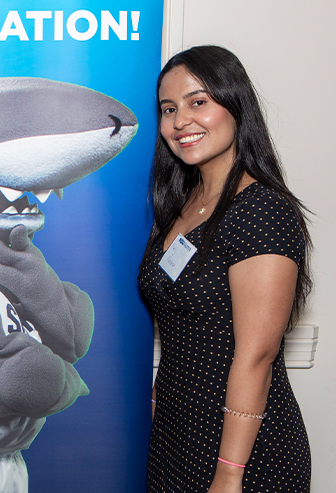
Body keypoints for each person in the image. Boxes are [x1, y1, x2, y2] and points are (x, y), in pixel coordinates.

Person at [139, 46, 312, 492]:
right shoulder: (181, 205)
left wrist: (228, 477)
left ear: (235, 106)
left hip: (239, 453)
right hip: (177, 436)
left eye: (199, 102)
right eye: (168, 109)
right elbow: (180, 326)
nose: (180, 122)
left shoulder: (262, 212)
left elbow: (256, 356)